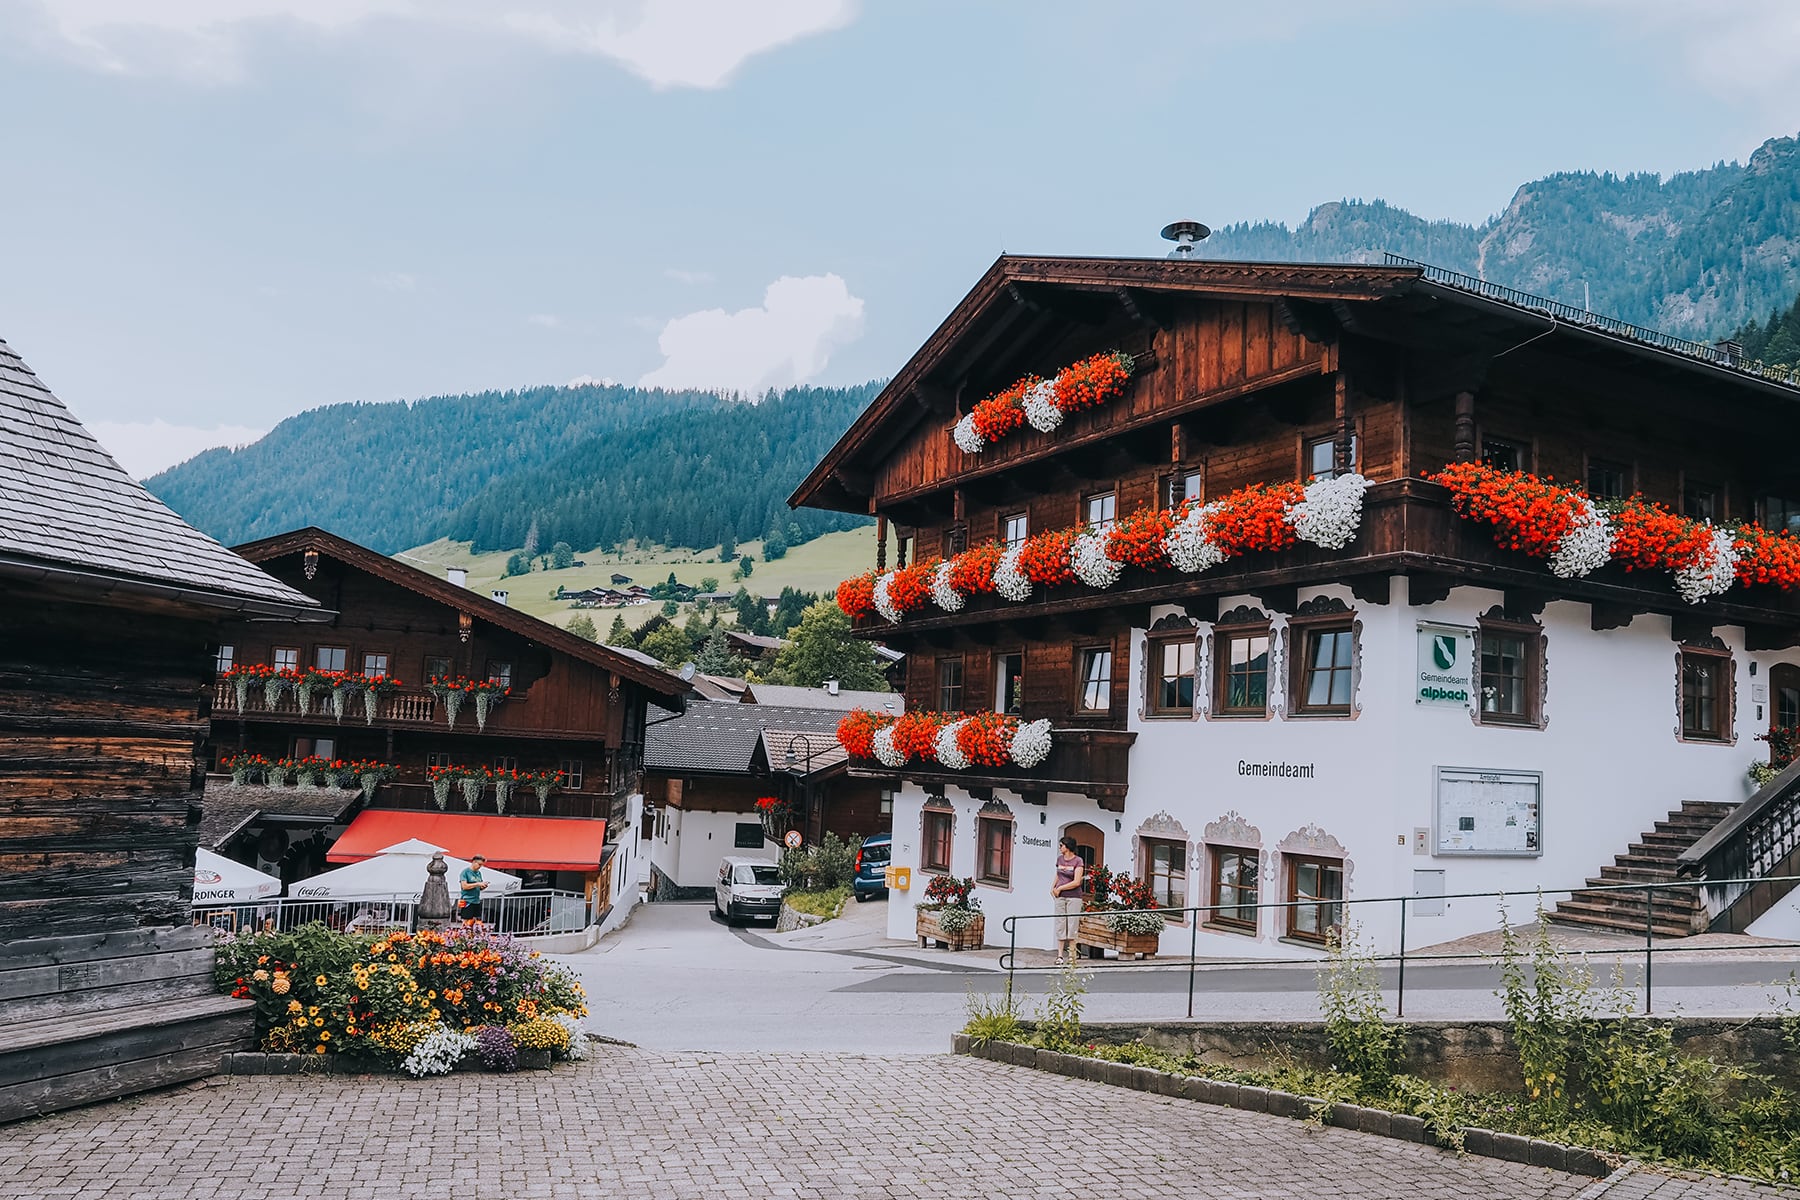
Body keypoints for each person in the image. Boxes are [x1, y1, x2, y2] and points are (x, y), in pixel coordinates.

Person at [1051, 836, 1086, 962]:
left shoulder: (1078, 861)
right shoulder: (1060, 859)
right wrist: (1053, 887)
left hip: (1073, 897)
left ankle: (1072, 956)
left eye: (1061, 845)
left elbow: (1076, 882)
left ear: (1068, 846)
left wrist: (1060, 888)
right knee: (1060, 924)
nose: (1060, 848)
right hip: (1060, 897)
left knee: (1072, 925)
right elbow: (1058, 874)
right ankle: (1060, 955)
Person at [458, 854, 489, 923]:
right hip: (467, 900)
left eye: (482, 865)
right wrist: (477, 884)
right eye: (479, 864)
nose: (480, 867)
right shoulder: (465, 872)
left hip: (476, 900)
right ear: (474, 862)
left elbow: (479, 887)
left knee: (476, 922)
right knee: (466, 922)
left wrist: (483, 886)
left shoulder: (479, 873)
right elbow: (464, 886)